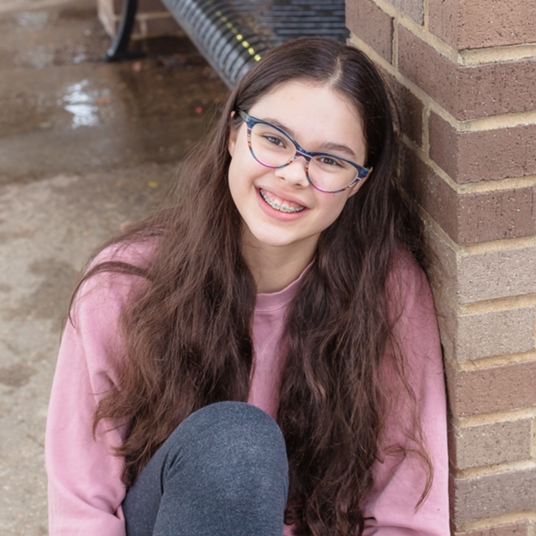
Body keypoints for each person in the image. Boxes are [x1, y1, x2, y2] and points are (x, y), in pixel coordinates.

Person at [46, 37, 449, 535]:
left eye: (330, 160)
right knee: (235, 446)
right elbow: (81, 506)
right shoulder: (126, 284)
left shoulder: (388, 290)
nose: (293, 174)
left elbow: (406, 513)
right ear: (235, 134)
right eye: (275, 139)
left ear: (358, 182)